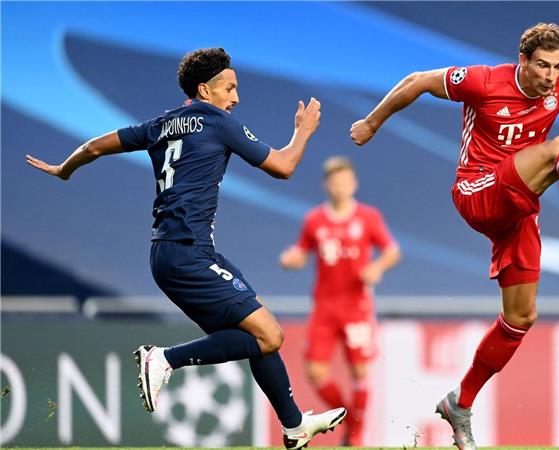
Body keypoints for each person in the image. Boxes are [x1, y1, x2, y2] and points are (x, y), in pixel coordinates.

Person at [350, 24, 559, 449]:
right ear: (522, 60)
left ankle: (460, 403)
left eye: (558, 67)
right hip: (478, 191)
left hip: (519, 205)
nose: (551, 76)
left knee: (520, 318)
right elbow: (418, 81)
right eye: (543, 65)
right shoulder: (483, 80)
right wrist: (372, 123)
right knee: (558, 147)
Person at [27, 47, 346, 450]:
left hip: (172, 253)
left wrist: (64, 170)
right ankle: (163, 359)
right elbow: (283, 166)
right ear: (204, 90)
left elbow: (93, 147)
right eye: (229, 88)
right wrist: (303, 131)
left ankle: (294, 425)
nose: (236, 98)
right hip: (188, 253)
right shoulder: (217, 122)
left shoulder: (160, 125)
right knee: (269, 335)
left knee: (254, 331)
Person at [280, 156, 401, 446]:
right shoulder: (314, 220)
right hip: (325, 306)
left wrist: (376, 268)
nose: (340, 187)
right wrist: (292, 259)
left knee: (360, 370)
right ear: (327, 186)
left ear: (354, 184)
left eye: (345, 182)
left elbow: (392, 250)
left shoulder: (368, 217)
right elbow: (301, 251)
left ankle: (355, 434)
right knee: (315, 371)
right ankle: (348, 418)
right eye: (335, 182)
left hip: (357, 306)